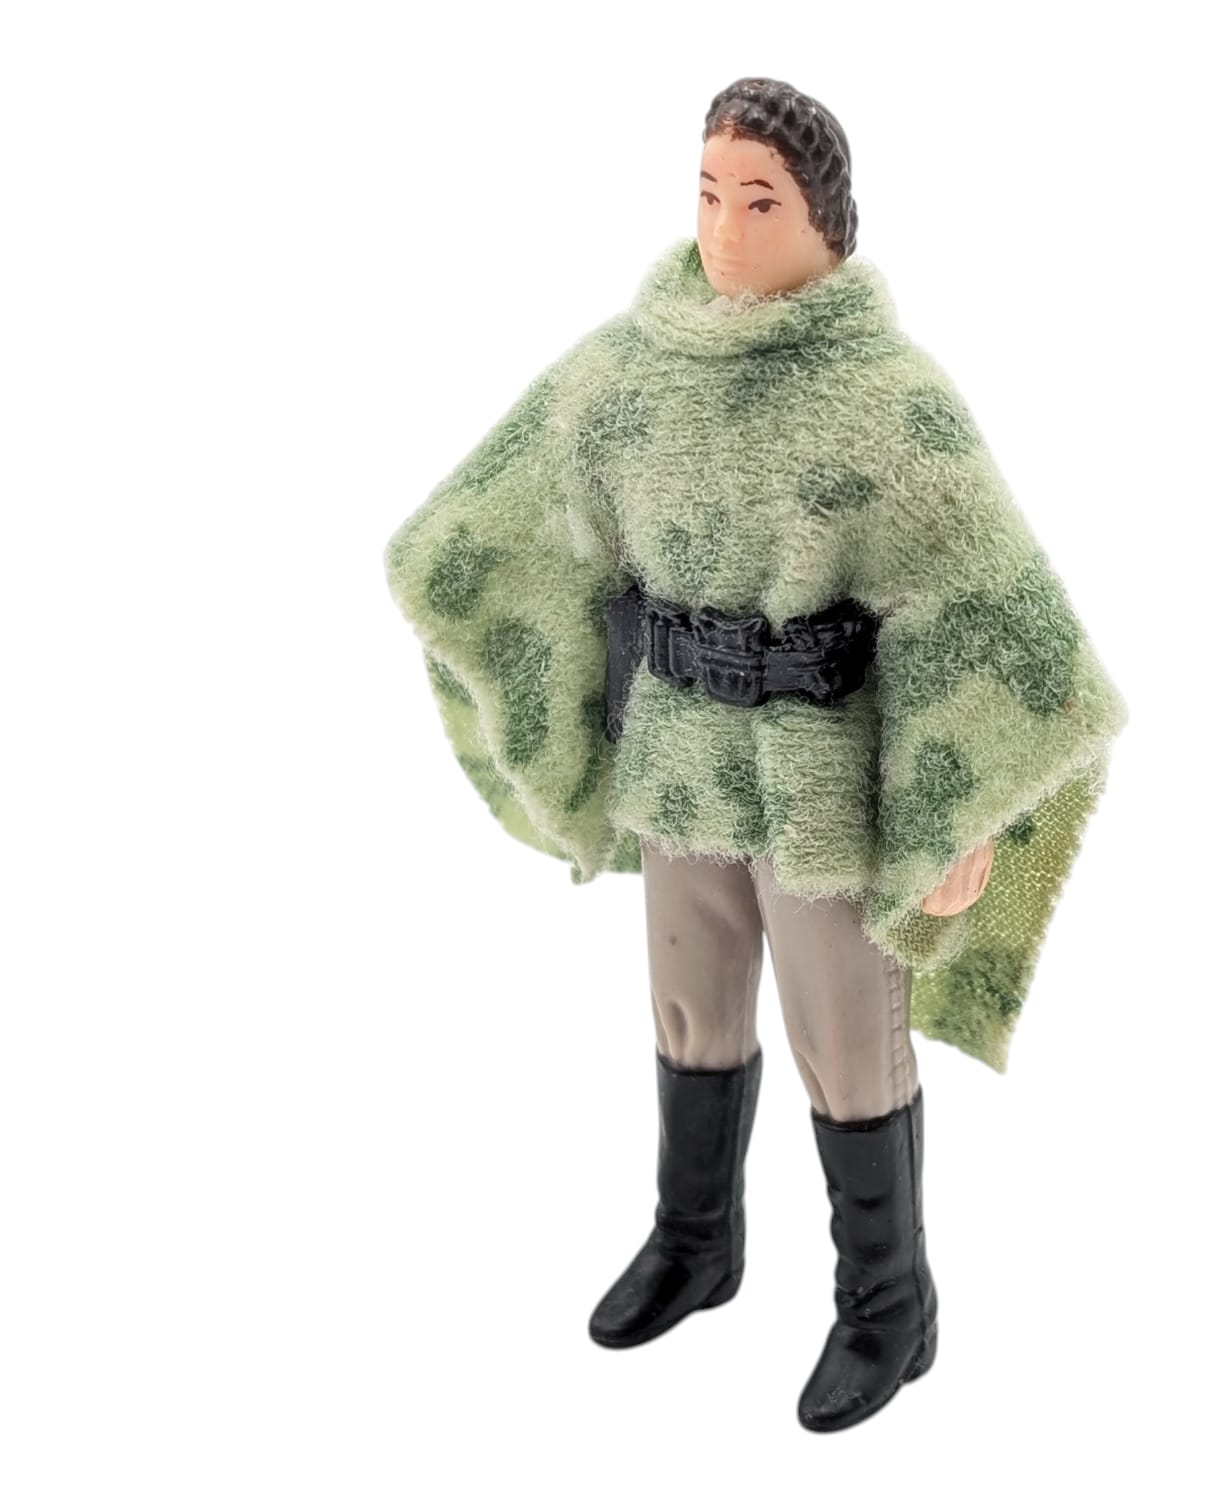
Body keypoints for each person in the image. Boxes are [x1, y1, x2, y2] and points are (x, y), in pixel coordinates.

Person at [385, 76, 1128, 1432]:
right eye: (708, 194)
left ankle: (888, 1300)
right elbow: (511, 509)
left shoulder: (887, 398)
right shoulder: (629, 370)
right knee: (690, 1007)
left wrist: (962, 810)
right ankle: (696, 1238)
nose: (726, 229)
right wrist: (463, 592)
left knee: (846, 1038)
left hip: (820, 773)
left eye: (761, 201)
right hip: (680, 755)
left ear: (824, 221)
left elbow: (981, 600)